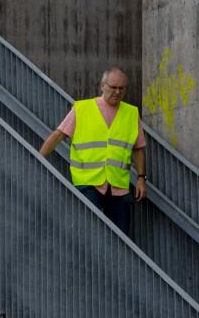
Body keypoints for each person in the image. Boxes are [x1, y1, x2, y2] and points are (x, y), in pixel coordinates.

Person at [38, 66, 146, 235]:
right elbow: (58, 135)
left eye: (122, 88)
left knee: (121, 236)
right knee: (89, 232)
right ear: (102, 86)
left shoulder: (131, 113)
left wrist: (140, 178)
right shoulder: (82, 109)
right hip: (87, 183)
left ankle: (114, 262)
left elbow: (138, 148)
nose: (117, 92)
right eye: (113, 87)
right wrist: (39, 158)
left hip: (118, 184)